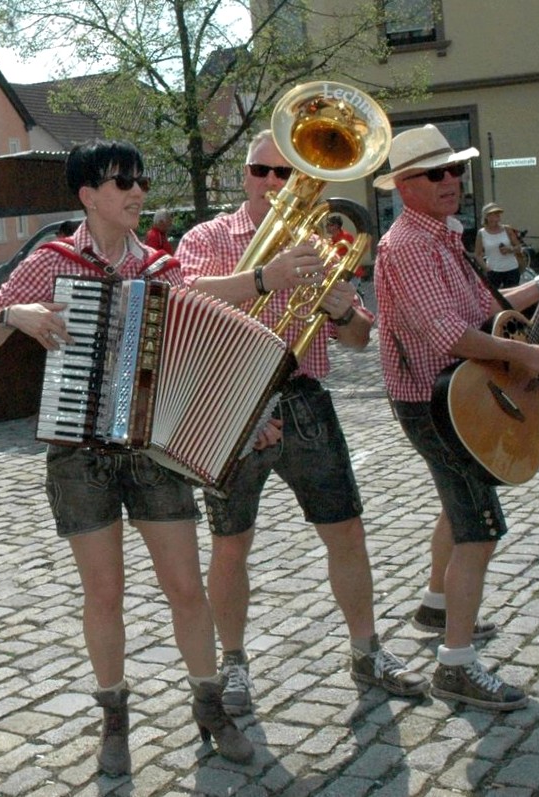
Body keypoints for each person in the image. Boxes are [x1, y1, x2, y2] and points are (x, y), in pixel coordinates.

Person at [0, 139, 256, 778]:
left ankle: (209, 705)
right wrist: (16, 312)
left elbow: (198, 342)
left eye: (140, 179)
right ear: (88, 195)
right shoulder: (53, 260)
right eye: (121, 181)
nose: (136, 192)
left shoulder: (162, 268)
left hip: (153, 451)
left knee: (185, 585)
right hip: (81, 453)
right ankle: (115, 717)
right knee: (104, 592)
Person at [175, 128, 428, 717]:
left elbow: (361, 338)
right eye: (262, 172)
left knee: (346, 530)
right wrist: (267, 276)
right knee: (230, 545)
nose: (273, 184)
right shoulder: (210, 236)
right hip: (230, 402)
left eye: (287, 175)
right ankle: (233, 664)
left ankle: (366, 650)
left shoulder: (323, 241)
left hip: (304, 398)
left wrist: (342, 311)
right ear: (244, 175)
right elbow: (181, 295)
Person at [372, 124, 539, 710]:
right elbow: (450, 336)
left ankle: (437, 606)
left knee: (458, 504)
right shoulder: (408, 245)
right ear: (404, 186)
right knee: (478, 529)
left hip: (455, 394)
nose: (451, 180)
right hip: (437, 399)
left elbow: (488, 309)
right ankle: (454, 665)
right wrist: (528, 353)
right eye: (436, 173)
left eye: (455, 168)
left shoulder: (443, 237)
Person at [474, 202, 524, 289]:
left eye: (498, 213)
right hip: (493, 271)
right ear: (487, 216)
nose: (497, 216)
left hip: (511, 269)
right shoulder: (482, 233)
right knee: (495, 298)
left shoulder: (507, 229)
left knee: (511, 297)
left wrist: (510, 249)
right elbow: (477, 254)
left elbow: (519, 247)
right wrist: (486, 268)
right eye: (494, 214)